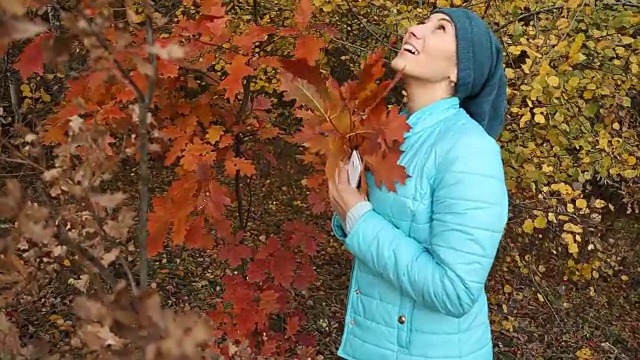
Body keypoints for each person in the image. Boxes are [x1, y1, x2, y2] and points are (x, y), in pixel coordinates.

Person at [327, 7, 509, 360]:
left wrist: (358, 217)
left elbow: (455, 290)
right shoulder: (389, 133)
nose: (415, 29)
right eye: (423, 21)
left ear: (460, 70)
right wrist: (347, 200)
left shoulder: (470, 150)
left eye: (440, 29)